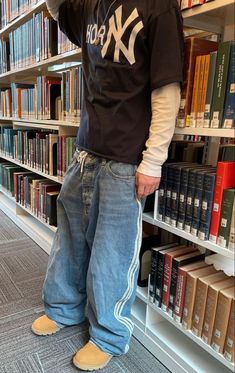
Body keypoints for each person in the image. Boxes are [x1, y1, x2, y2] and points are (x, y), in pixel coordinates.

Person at [32, 0, 184, 370]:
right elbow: (55, 8)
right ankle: (64, 308)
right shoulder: (92, 5)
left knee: (112, 253)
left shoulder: (159, 6)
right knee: (68, 240)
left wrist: (153, 161)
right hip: (84, 151)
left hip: (126, 160)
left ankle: (108, 335)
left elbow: (167, 90)